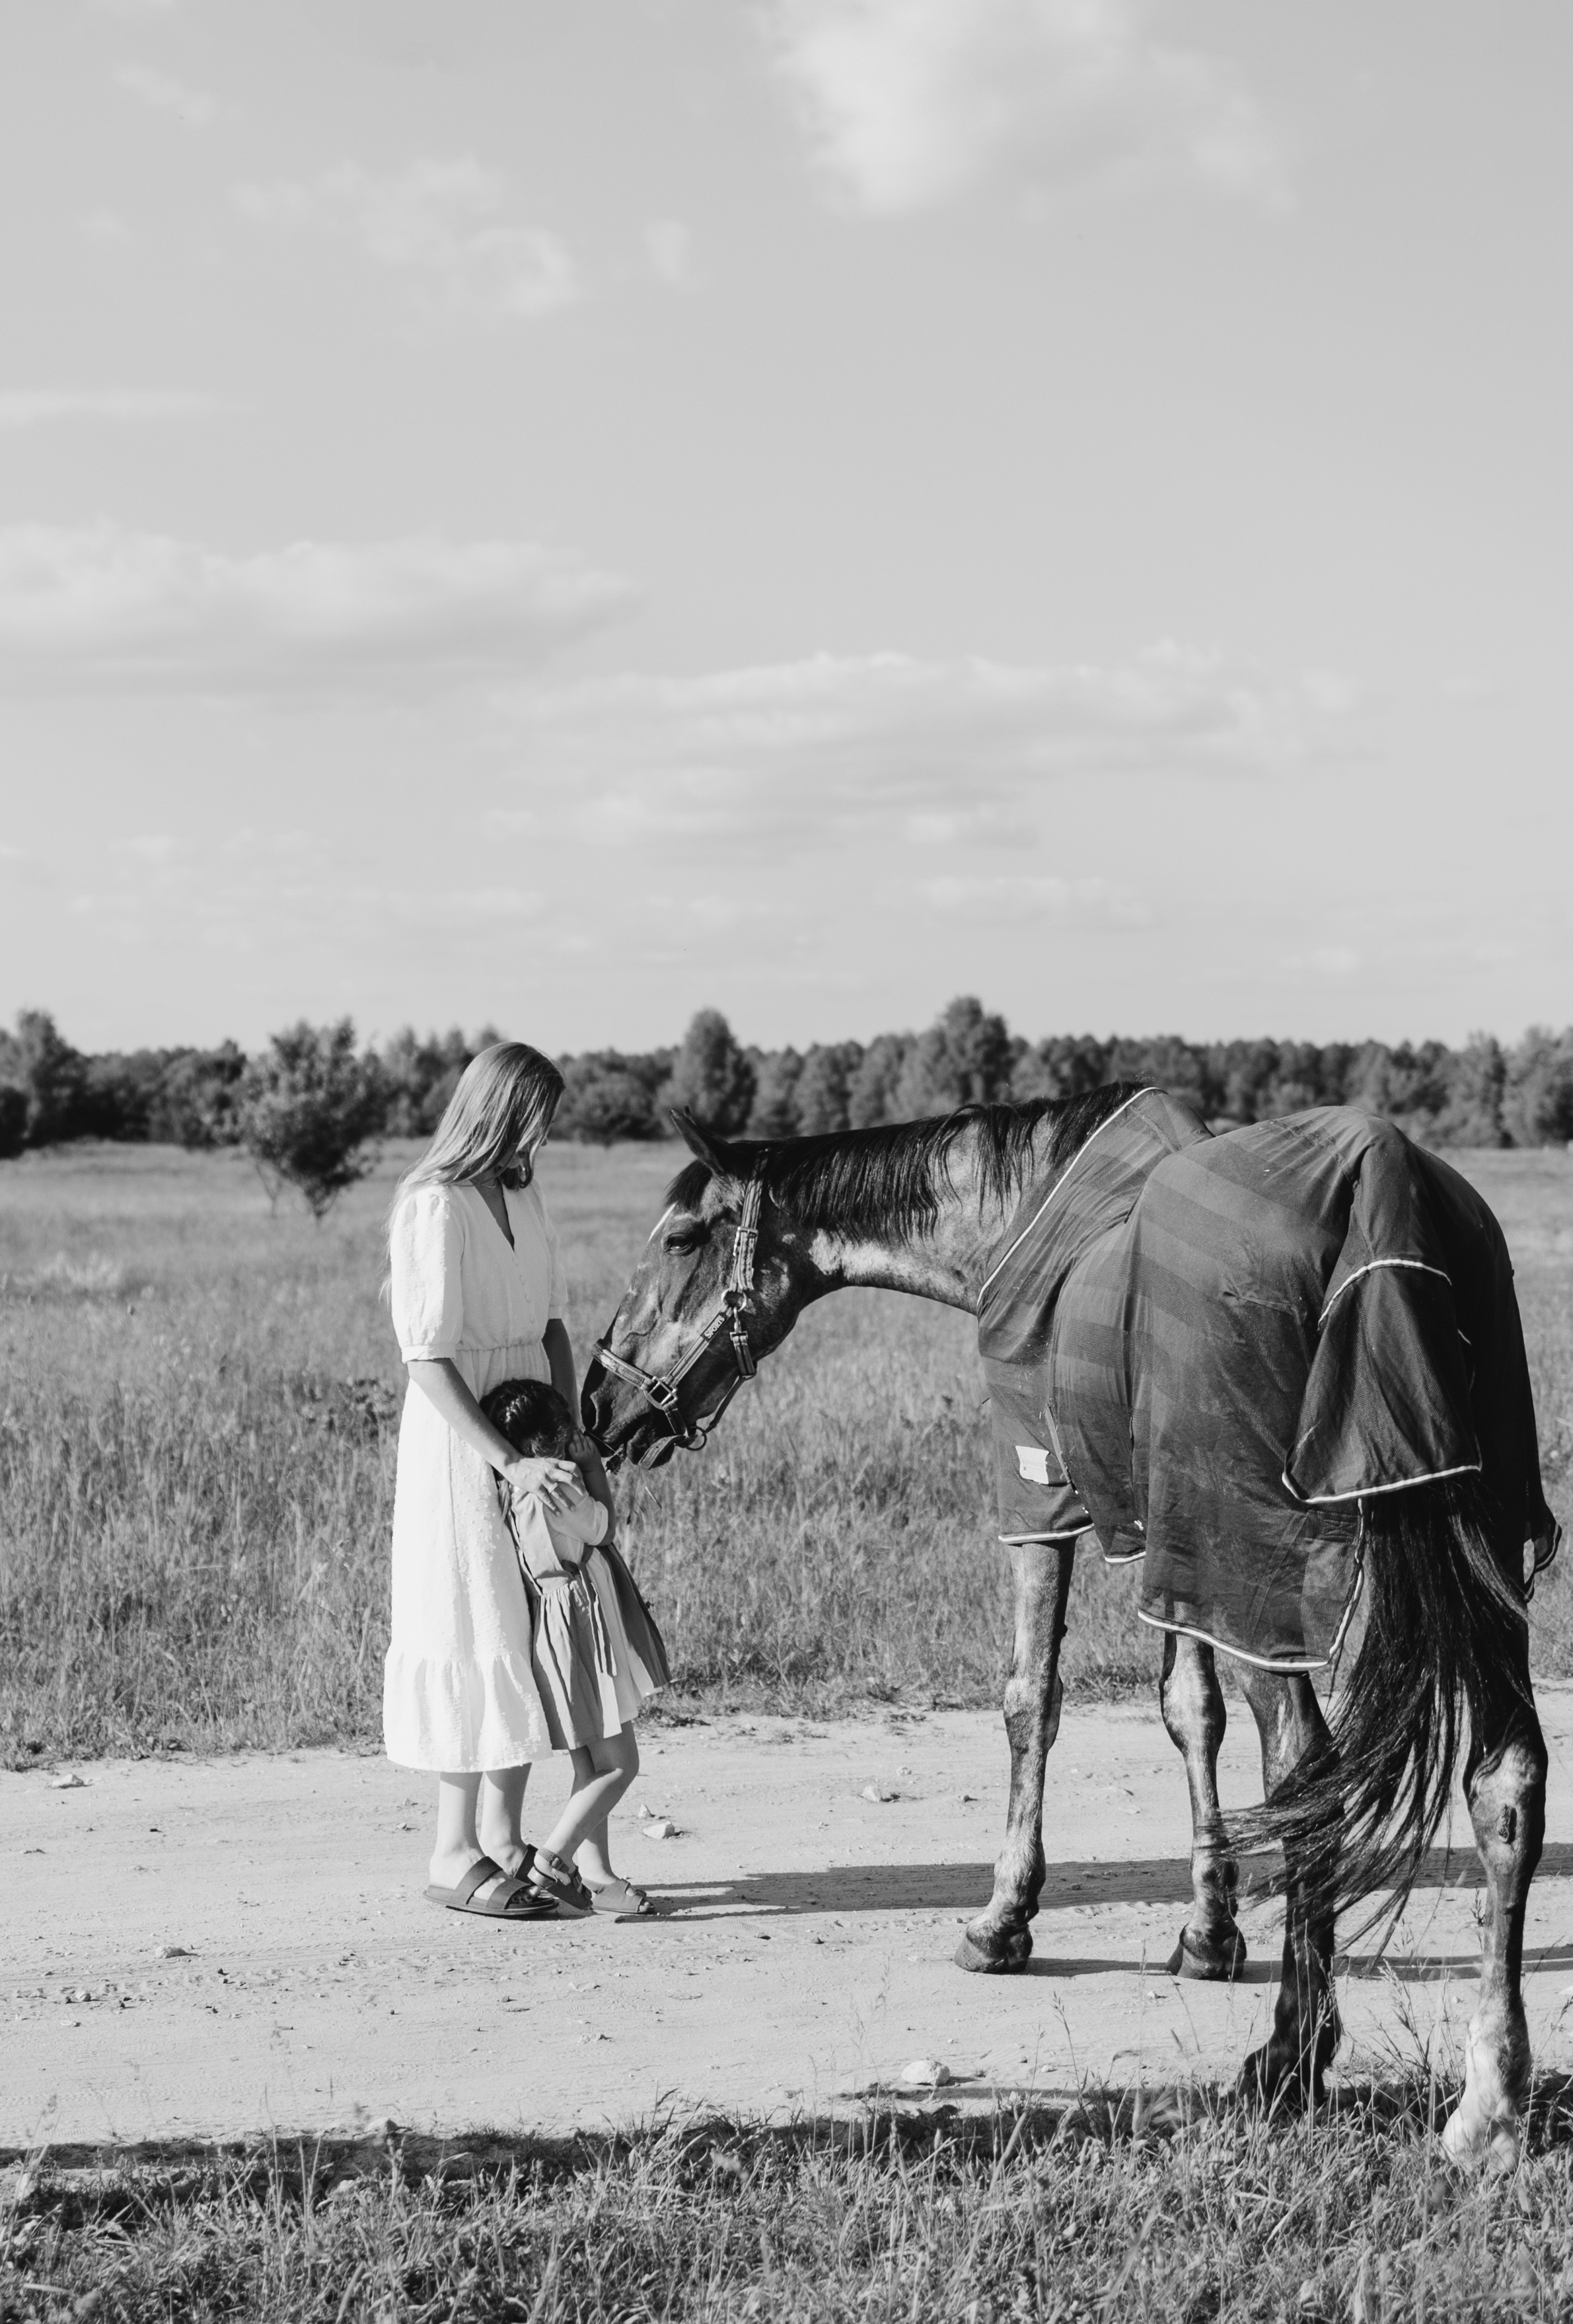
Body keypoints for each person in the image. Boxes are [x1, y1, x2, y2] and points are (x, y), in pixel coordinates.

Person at [383, 1040, 613, 1920]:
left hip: (533, 1437)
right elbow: (428, 1359)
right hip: (462, 1443)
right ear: (498, 1112)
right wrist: (506, 1458)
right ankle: (451, 1851)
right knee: (468, 1620)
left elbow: (554, 1321)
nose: (545, 1140)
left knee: (520, 1629)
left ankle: (505, 1837)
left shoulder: (522, 1191)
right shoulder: (432, 1206)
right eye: (536, 1120)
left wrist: (568, 1431)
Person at [482, 1376, 671, 1919]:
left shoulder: (512, 1487)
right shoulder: (560, 1486)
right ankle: (552, 1861)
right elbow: (604, 1528)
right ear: (552, 1439)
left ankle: (599, 1875)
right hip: (586, 1627)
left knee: (591, 1765)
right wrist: (592, 1470)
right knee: (620, 1765)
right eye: (565, 1429)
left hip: (556, 1632)